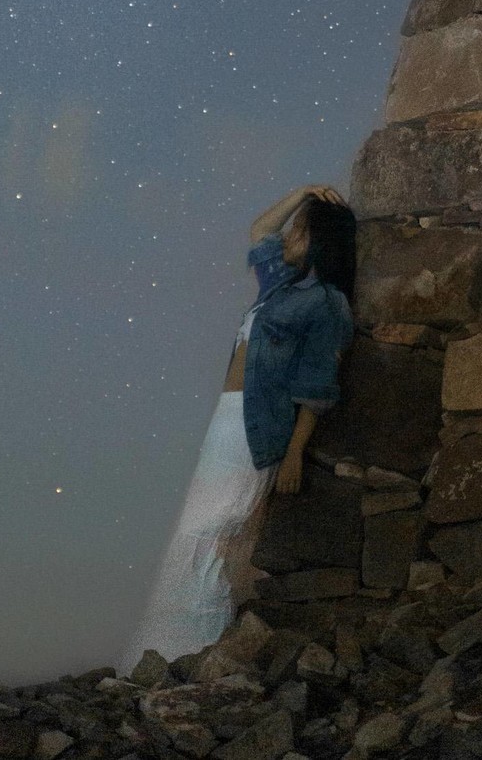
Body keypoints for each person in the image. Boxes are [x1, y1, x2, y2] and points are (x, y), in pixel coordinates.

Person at [120, 184, 356, 673]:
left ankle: (191, 656)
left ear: (319, 242)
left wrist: (294, 453)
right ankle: (155, 660)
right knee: (192, 531)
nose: (289, 236)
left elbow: (316, 386)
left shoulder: (326, 304)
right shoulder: (278, 287)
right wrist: (304, 193)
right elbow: (259, 231)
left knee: (213, 532)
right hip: (228, 420)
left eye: (301, 230)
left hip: (258, 427)